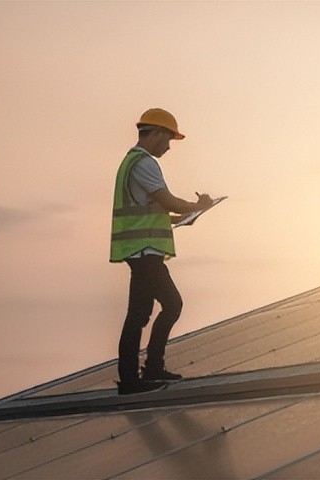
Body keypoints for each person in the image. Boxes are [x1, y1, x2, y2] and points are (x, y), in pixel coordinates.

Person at [110, 108, 214, 395]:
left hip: (139, 250)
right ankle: (146, 371)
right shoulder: (144, 163)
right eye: (168, 138)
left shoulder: (130, 162)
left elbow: (147, 210)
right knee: (172, 305)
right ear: (154, 133)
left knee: (139, 314)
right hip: (145, 252)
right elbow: (166, 200)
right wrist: (198, 206)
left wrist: (180, 218)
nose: (168, 145)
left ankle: (134, 376)